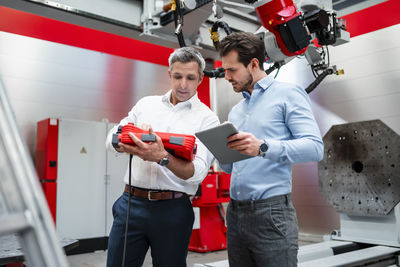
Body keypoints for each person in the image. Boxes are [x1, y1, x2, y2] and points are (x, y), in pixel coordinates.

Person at [105, 47, 220, 267]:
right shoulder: (145, 105)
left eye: (190, 78)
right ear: (169, 74)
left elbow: (196, 173)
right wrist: (132, 144)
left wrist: (162, 157)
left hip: (173, 211)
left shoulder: (207, 119)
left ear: (201, 79)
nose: (183, 84)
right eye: (177, 76)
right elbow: (111, 138)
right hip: (130, 205)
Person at [218, 32, 324, 266]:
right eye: (225, 70)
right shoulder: (236, 111)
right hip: (235, 214)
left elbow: (315, 147)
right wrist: (221, 149)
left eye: (232, 70)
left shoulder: (287, 94)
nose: (226, 77)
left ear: (254, 64)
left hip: (271, 214)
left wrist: (262, 147)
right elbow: (228, 168)